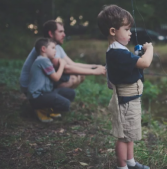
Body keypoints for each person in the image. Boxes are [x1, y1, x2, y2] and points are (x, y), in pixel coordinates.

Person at [97, 5, 153, 169]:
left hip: (131, 99)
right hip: (126, 102)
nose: (130, 33)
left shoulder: (119, 50)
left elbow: (132, 65)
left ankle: (130, 162)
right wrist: (149, 49)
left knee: (129, 134)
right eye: (127, 29)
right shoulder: (117, 52)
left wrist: (136, 58)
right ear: (113, 31)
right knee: (123, 137)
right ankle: (122, 167)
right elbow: (145, 63)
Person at [19, 20, 106, 94]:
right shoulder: (46, 49)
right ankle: (49, 104)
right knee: (72, 78)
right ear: (50, 33)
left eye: (63, 31)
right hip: (30, 86)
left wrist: (95, 66)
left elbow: (72, 64)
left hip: (43, 82)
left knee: (80, 75)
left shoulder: (56, 47)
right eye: (60, 32)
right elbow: (66, 69)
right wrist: (94, 72)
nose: (64, 35)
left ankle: (57, 101)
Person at [28, 38, 76, 122]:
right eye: (53, 48)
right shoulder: (42, 61)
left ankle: (47, 108)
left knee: (71, 93)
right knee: (65, 104)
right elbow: (56, 77)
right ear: (43, 49)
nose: (55, 51)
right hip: (37, 97)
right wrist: (62, 64)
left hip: (46, 93)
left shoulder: (46, 60)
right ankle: (40, 109)